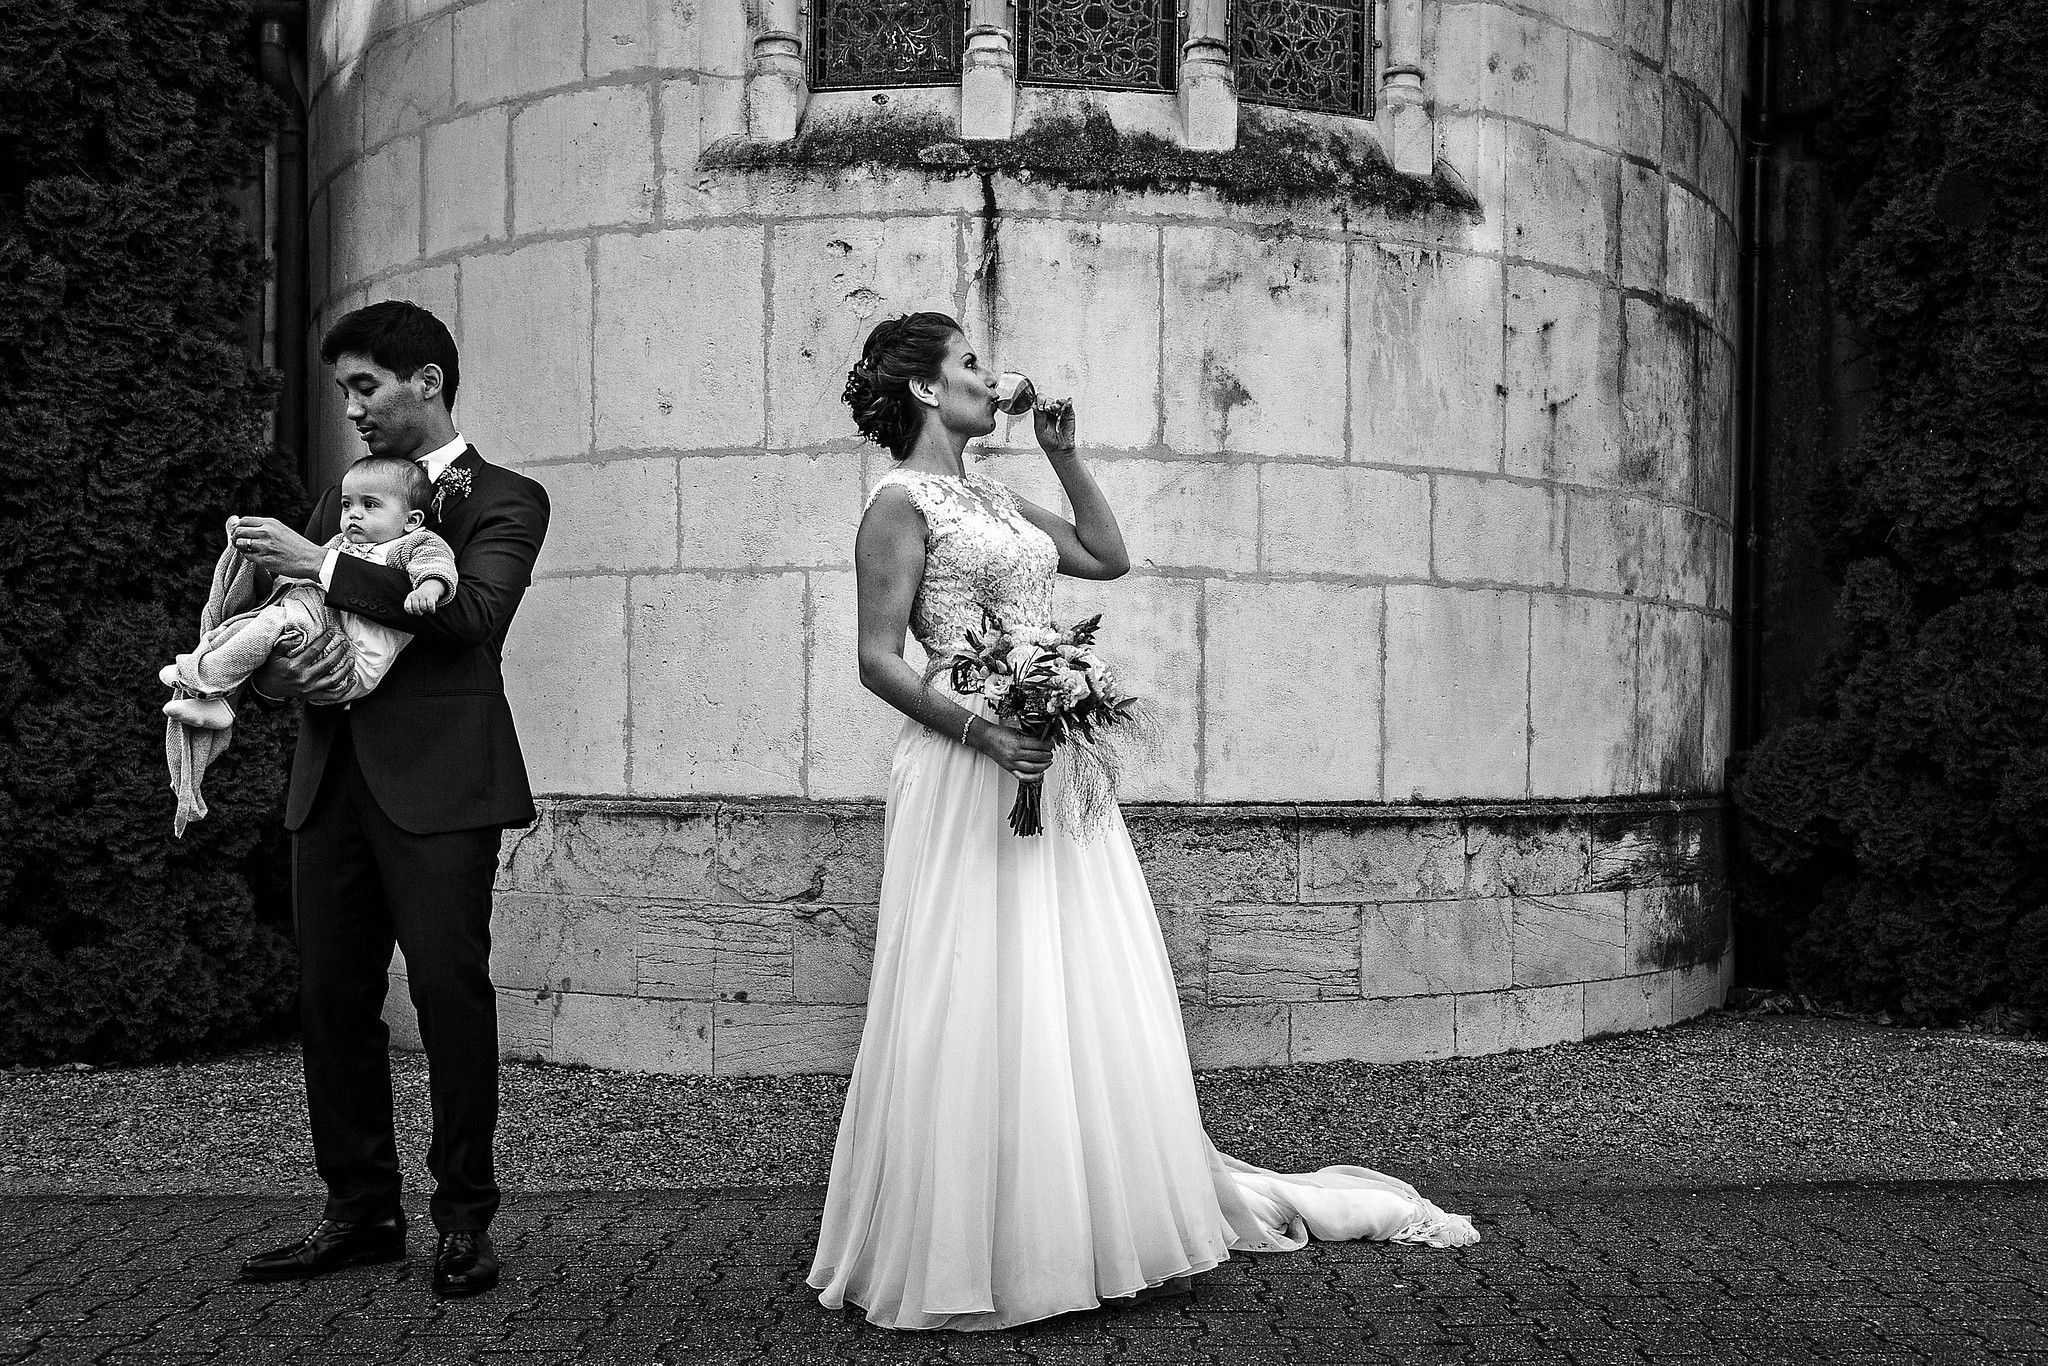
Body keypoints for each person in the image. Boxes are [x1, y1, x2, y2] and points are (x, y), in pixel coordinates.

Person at [807, 312, 1477, 1331]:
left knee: (1071, 972)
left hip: (1053, 755)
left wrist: (1066, 459)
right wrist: (984, 734)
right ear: (922, 391)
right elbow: (878, 657)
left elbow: (1104, 556)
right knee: (977, 977)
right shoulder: (898, 504)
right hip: (966, 762)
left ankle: (1086, 1220)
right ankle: (976, 1242)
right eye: (970, 362)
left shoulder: (990, 492)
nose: (989, 376)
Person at [227, 301, 550, 1299]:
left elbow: (472, 617)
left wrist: (318, 557)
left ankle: (463, 1222)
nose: (353, 408)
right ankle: (359, 1212)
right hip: (328, 787)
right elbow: (300, 619)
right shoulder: (336, 495)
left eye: (365, 386)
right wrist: (268, 654)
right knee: (329, 1004)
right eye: (344, 392)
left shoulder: (506, 497)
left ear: (429, 382)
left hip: (444, 790)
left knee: (451, 1000)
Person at [161, 458, 457, 834]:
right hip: (327, 640)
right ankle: (218, 699)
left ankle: (207, 680)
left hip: (353, 668)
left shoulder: (411, 544)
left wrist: (430, 588)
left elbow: (437, 563)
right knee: (255, 619)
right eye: (347, 505)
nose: (353, 515)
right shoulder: (340, 544)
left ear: (411, 519)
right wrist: (255, 559)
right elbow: (292, 575)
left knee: (273, 620)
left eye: (370, 505)